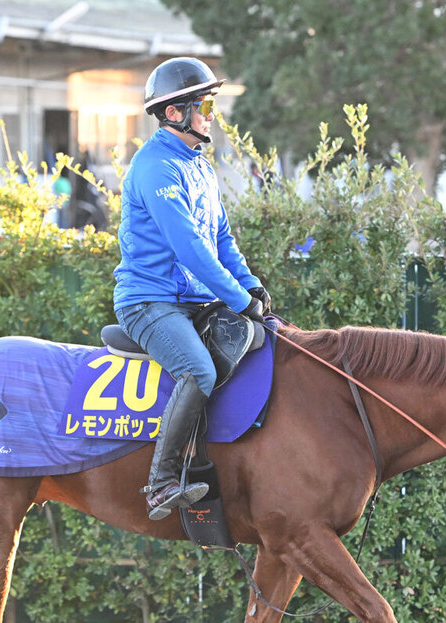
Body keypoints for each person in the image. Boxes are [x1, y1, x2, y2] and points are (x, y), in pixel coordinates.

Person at [113, 57, 272, 520]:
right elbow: (192, 251)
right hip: (149, 303)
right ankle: (161, 482)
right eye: (203, 104)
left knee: (262, 341)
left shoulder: (198, 167)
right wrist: (239, 300)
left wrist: (252, 286)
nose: (210, 114)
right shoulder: (155, 169)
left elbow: (222, 240)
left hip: (193, 302)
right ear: (175, 113)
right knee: (199, 372)